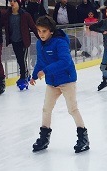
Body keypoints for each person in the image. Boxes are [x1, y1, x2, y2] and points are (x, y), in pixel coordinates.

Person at [30, 16, 89, 153]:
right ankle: (44, 138)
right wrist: (34, 75)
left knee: (72, 109)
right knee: (46, 109)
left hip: (67, 80)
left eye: (44, 31)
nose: (41, 34)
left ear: (51, 31)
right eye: (39, 31)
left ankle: (83, 139)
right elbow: (40, 61)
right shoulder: (40, 44)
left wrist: (45, 71)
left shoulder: (60, 43)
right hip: (52, 82)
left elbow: (65, 62)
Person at [3, 0, 38, 90]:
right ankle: (26, 74)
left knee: (22, 60)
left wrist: (41, 38)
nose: (12, 3)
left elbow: (33, 27)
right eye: (11, 1)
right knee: (19, 59)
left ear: (19, 3)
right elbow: (0, 23)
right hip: (14, 41)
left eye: (14, 1)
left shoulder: (25, 15)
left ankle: (23, 76)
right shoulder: (7, 15)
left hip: (23, 41)